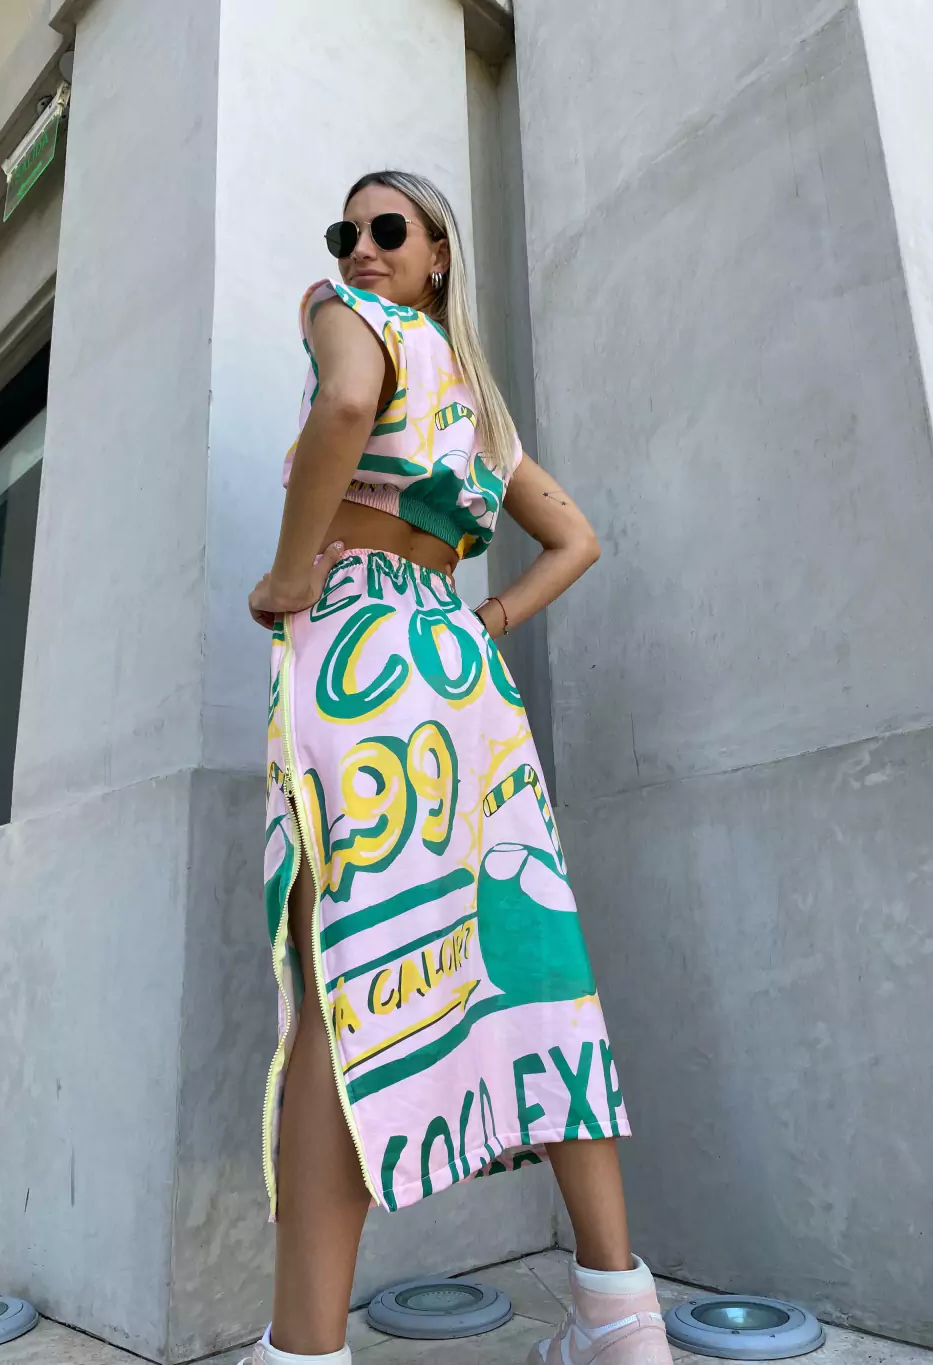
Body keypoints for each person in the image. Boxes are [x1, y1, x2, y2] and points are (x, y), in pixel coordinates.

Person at [245, 170, 674, 1365]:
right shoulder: (477, 407)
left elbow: (343, 406)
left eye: (387, 228)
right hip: (461, 677)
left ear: (438, 252)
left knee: (347, 973)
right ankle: (618, 1315)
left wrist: (289, 575)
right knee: (532, 960)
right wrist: (487, 620)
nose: (359, 248)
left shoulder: (342, 315)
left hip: (364, 660)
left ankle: (303, 1350)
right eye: (346, 230)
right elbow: (574, 539)